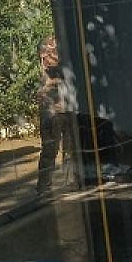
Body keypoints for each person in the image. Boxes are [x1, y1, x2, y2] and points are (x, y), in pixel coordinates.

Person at [36, 35, 74, 194]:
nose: (55, 56)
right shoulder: (42, 72)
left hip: (67, 110)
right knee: (50, 150)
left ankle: (71, 182)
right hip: (50, 113)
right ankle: (44, 187)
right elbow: (41, 93)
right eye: (52, 52)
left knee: (71, 148)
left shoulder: (62, 67)